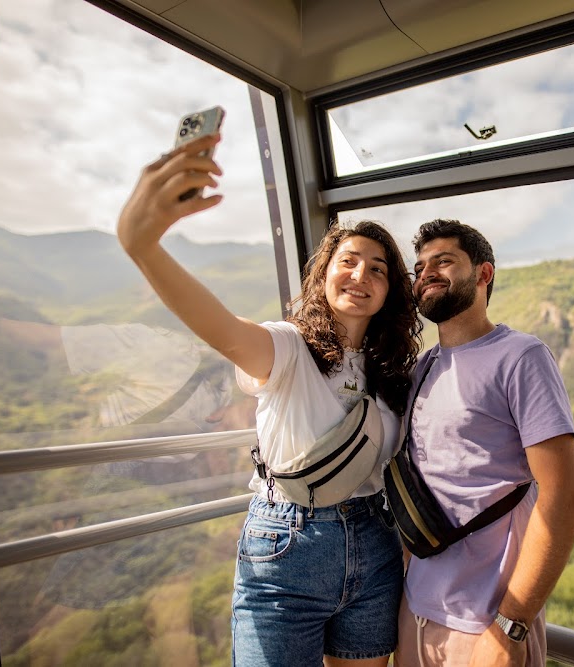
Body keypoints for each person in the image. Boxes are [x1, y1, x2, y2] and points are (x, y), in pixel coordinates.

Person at [116, 132, 421, 667]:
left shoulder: (391, 375)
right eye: (349, 261)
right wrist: (144, 247)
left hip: (375, 548)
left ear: (390, 291)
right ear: (323, 273)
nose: (361, 275)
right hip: (286, 547)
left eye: (378, 269)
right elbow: (221, 328)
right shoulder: (287, 347)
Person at [394, 219, 574, 667]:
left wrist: (510, 626)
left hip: (485, 625)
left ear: (484, 274)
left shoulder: (520, 356)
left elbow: (563, 497)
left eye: (444, 261)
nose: (427, 273)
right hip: (414, 610)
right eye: (420, 267)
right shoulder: (423, 367)